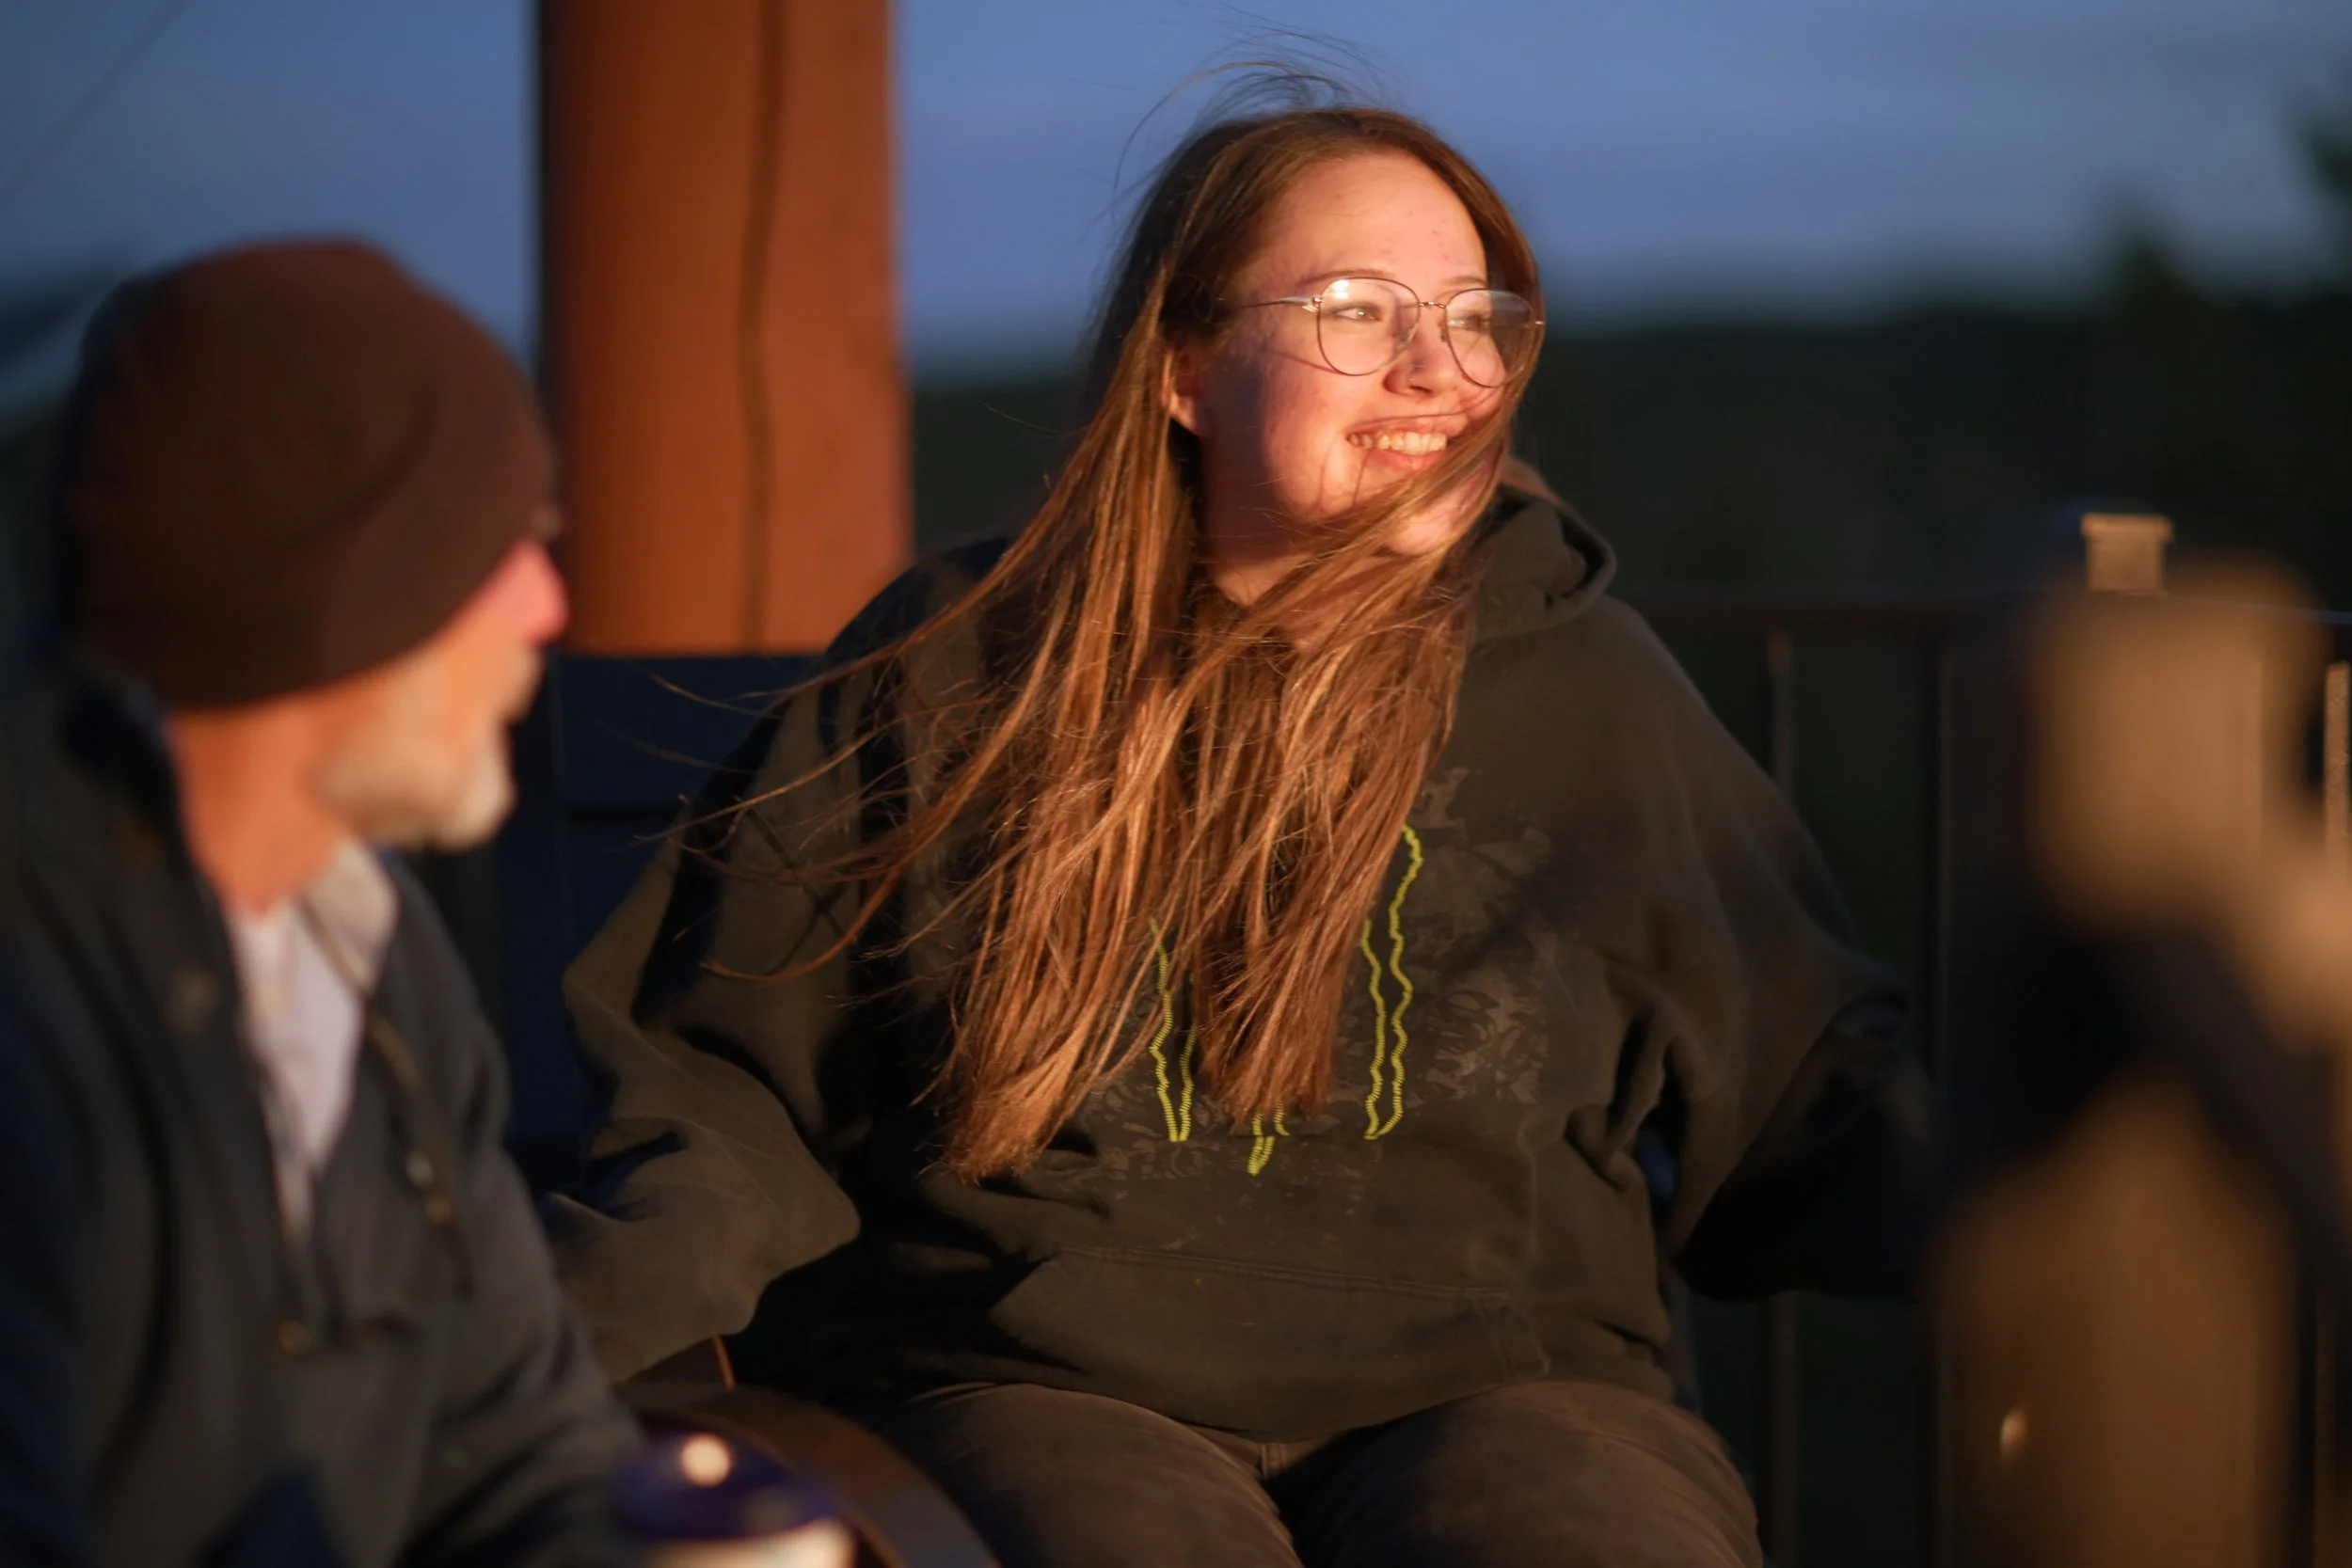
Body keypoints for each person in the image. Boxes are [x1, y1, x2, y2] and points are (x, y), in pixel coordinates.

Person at [550, 92, 1936, 1568]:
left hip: (1516, 1389)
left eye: (1476, 318)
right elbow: (726, 1083)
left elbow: (1803, 1087)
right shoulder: (962, 672)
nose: (1440, 370)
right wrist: (541, 1374)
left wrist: (2056, 1220)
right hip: (1040, 1386)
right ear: (1186, 368)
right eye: (1357, 310)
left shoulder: (1592, 690)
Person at [0, 242, 639, 1567]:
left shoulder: (372, 951)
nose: (550, 603)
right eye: (499, 545)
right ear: (340, 589)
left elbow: (523, 1450)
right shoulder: (38, 995)